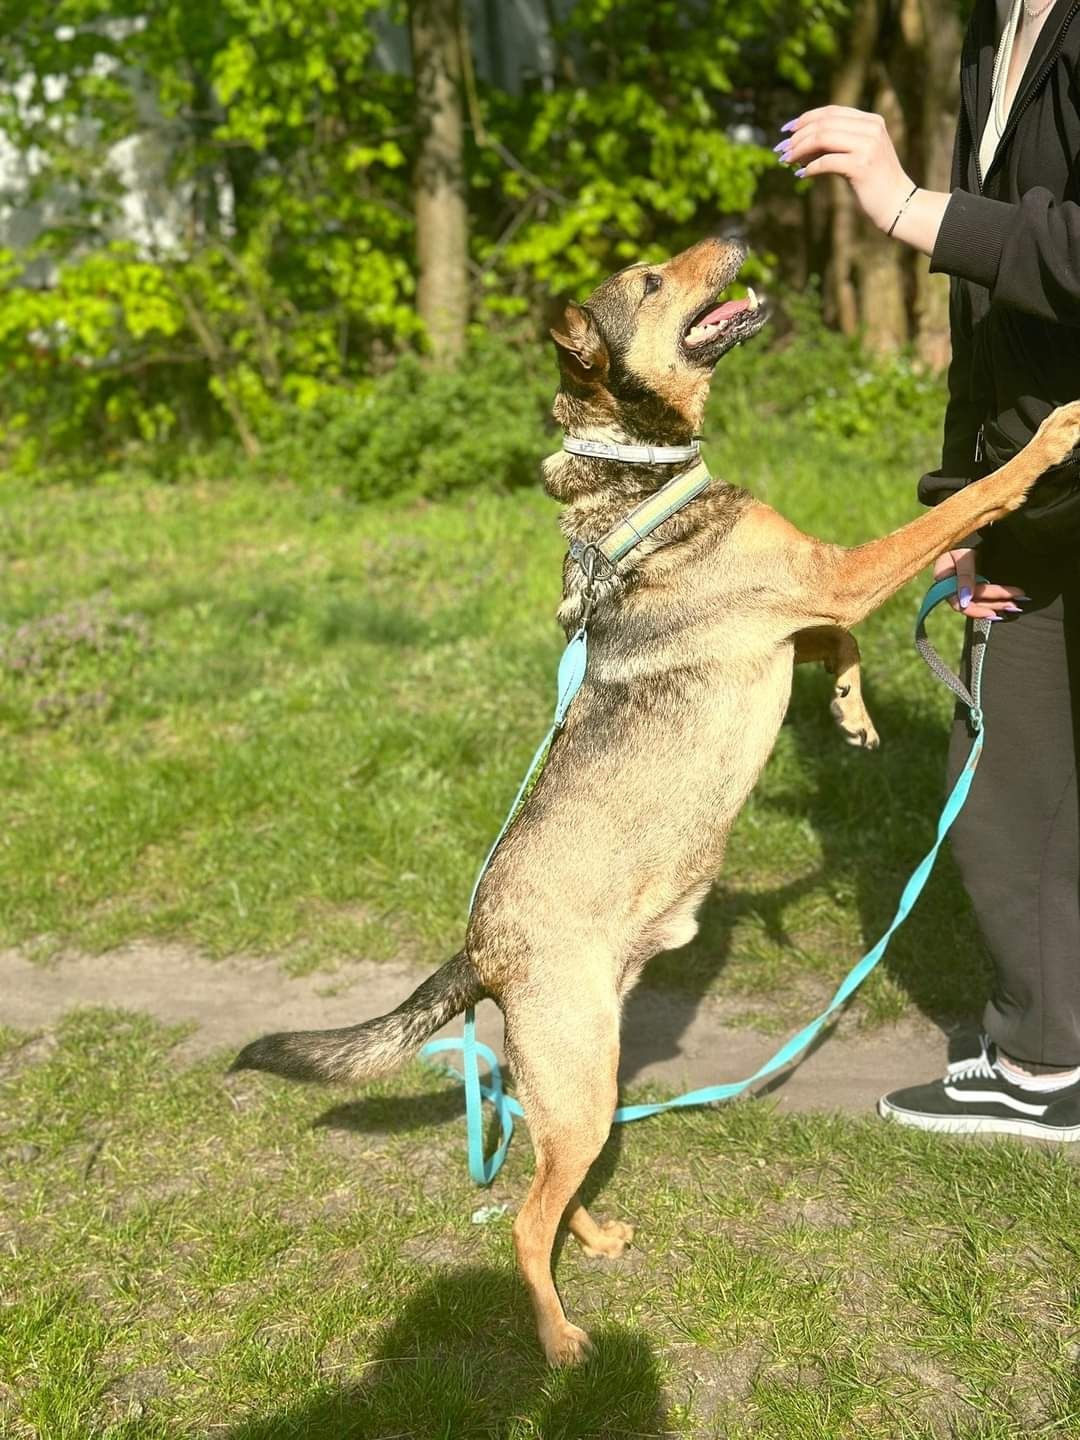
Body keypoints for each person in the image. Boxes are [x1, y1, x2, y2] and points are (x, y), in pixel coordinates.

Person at [780, 0, 1080, 1138]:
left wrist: (908, 207)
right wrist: (968, 493)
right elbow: (984, 301)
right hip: (1040, 472)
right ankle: (1047, 1062)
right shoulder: (990, 22)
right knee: (1002, 756)